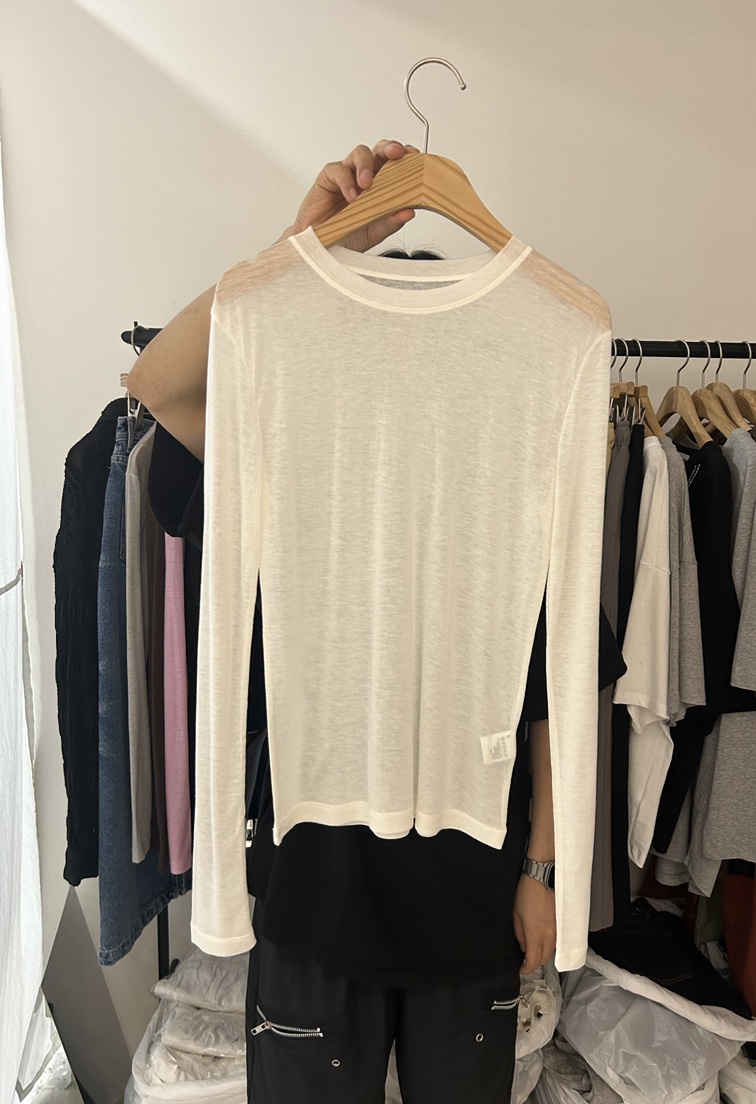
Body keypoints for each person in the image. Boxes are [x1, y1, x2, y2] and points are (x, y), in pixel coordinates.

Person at [127, 139, 557, 1103]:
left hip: (472, 908)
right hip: (313, 901)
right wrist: (304, 247)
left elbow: (556, 693)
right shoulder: (282, 460)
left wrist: (543, 868)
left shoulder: (506, 481)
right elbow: (158, 384)